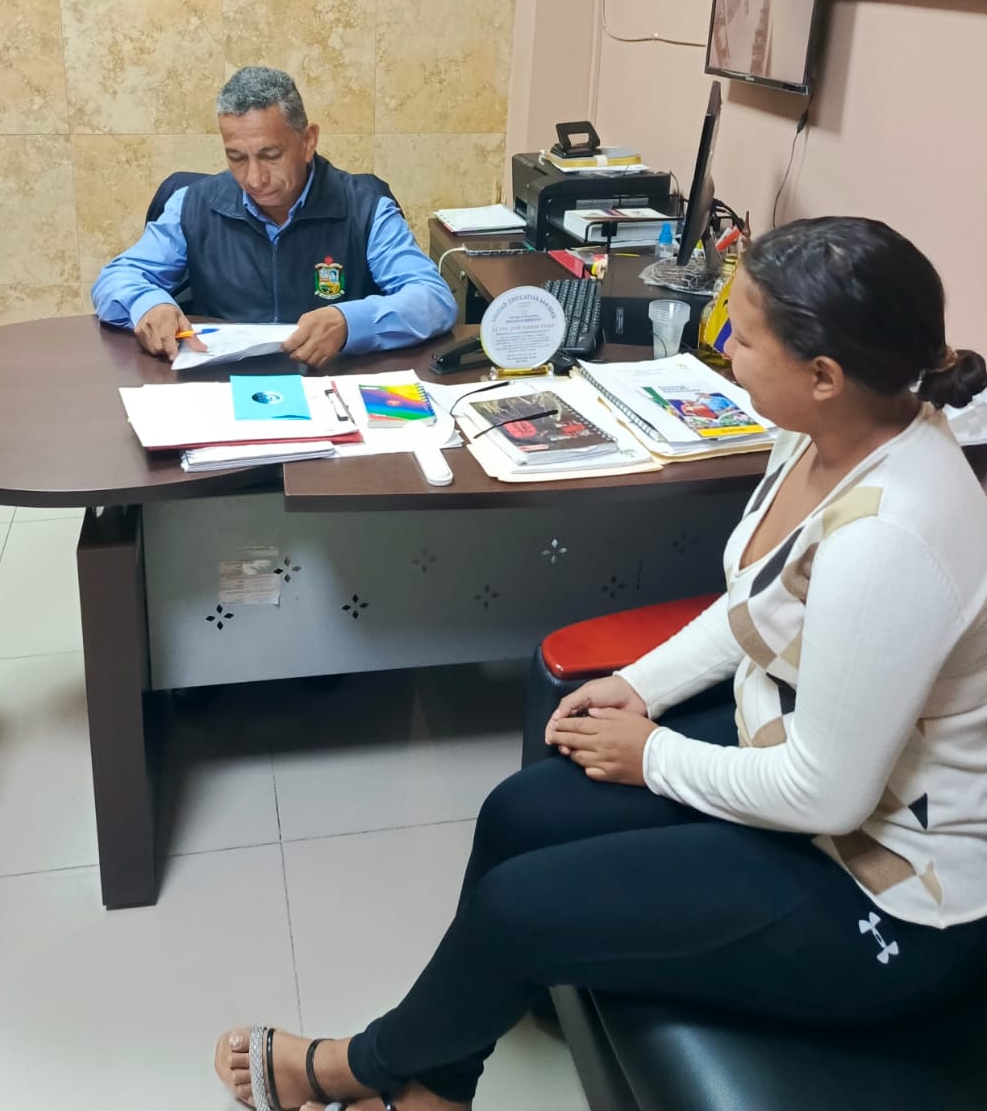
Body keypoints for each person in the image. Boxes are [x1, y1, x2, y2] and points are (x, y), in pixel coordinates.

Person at [214, 216, 987, 1111]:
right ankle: (439, 1088)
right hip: (799, 765)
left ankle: (358, 1067)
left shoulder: (892, 536)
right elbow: (755, 607)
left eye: (745, 335)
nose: (725, 346)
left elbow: (826, 796)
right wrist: (638, 685)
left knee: (517, 908)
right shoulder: (821, 434)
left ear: (824, 375)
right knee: (519, 812)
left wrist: (649, 754)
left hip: (888, 891)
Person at [91, 66, 457, 369]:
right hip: (222, 387)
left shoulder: (365, 208)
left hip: (329, 384)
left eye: (270, 155)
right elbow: (117, 278)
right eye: (237, 158)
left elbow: (433, 299)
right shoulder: (193, 205)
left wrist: (350, 322)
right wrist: (150, 305)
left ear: (308, 141)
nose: (254, 178)